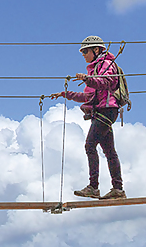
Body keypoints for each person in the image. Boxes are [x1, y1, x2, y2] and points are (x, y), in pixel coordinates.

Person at [50, 35, 126, 200]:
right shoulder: (94, 69)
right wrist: (65, 94)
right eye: (82, 52)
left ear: (96, 50)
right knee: (109, 151)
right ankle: (118, 190)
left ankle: (93, 187)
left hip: (107, 110)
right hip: (101, 111)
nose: (83, 54)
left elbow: (106, 82)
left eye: (85, 51)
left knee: (90, 145)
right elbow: (87, 96)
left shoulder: (106, 64)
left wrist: (88, 79)